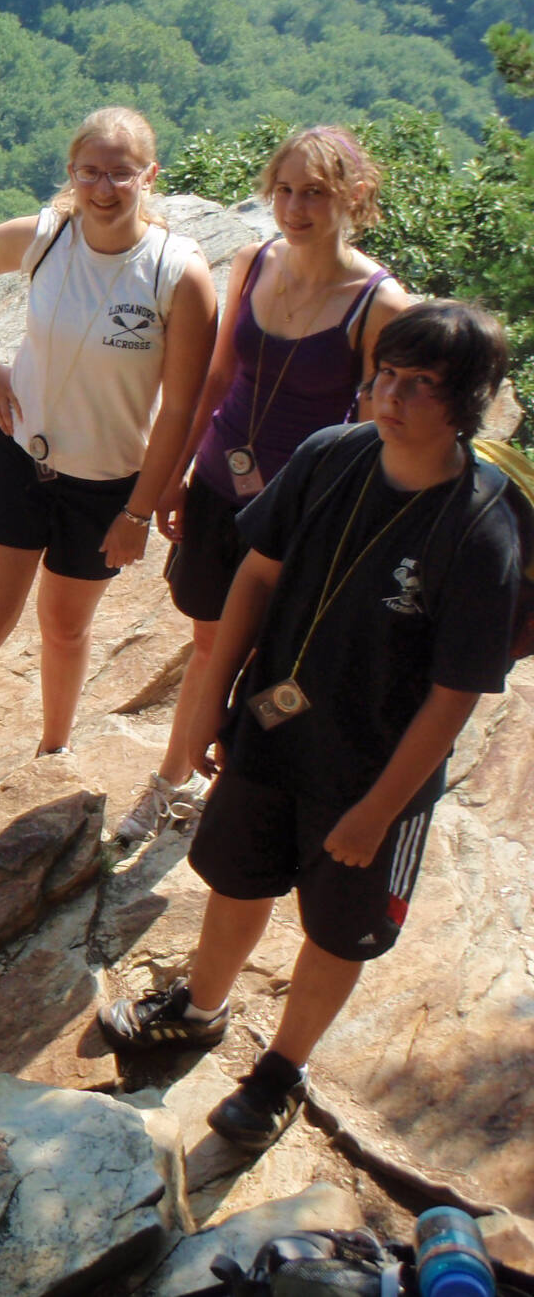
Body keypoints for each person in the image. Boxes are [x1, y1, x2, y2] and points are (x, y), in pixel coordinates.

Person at [98, 301, 521, 1151]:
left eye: (422, 385)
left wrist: (377, 812)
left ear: (468, 401)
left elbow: (452, 697)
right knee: (237, 878)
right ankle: (201, 1009)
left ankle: (281, 1070)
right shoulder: (333, 455)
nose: (391, 397)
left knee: (337, 927)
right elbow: (255, 576)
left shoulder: (479, 530)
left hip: (373, 773)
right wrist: (213, 697)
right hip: (274, 732)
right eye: (386, 376)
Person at [0, 106, 216, 806]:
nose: (104, 188)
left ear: (149, 177)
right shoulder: (45, 238)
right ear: (71, 173)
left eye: (121, 174)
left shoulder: (176, 273)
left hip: (108, 483)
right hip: (21, 458)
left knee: (67, 626)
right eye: (90, 172)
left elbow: (183, 406)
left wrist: (141, 509)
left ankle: (53, 749)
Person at [112, 126, 411, 844]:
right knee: (212, 641)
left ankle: (186, 783)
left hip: (299, 513)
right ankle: (187, 778)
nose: (295, 206)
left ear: (355, 196)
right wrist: (177, 476)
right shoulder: (253, 261)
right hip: (219, 486)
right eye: (284, 190)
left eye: (315, 192)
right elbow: (216, 379)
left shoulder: (380, 304)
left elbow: (372, 437)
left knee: (259, 655)